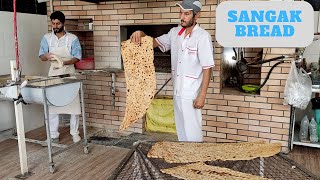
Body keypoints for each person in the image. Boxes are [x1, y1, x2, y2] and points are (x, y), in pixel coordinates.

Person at [130, 0, 214, 142]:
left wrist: (202, 95)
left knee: (193, 132)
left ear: (196, 16)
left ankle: (196, 161)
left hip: (191, 94)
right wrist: (141, 33)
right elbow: (153, 43)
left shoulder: (202, 37)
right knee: (181, 131)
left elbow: (207, 68)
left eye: (186, 14)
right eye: (181, 13)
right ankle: (185, 158)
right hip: (177, 92)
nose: (182, 17)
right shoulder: (174, 33)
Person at [39, 11, 82, 143]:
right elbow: (41, 56)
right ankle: (53, 135)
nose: (55, 26)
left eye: (58, 23)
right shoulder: (46, 38)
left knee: (74, 106)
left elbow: (77, 57)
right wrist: (46, 56)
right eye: (53, 23)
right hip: (53, 74)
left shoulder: (73, 38)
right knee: (52, 106)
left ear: (63, 23)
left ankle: (75, 133)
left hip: (69, 73)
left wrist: (65, 62)